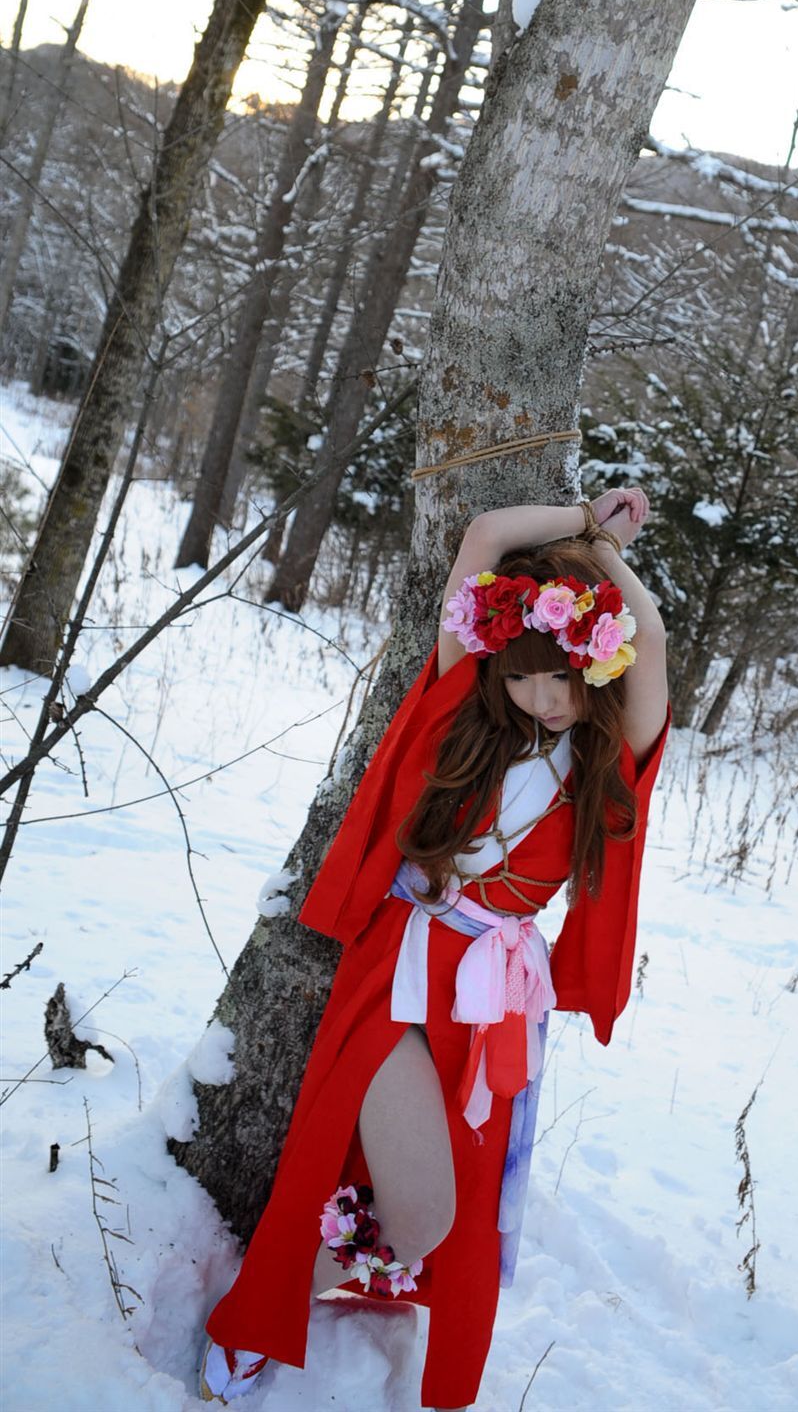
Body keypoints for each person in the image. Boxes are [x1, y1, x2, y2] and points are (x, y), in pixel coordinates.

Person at [200, 489, 670, 1410]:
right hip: (402, 967)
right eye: (527, 676)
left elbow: (646, 632)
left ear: (594, 673)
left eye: (564, 679)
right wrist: (581, 517)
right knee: (420, 1212)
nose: (544, 698)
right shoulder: (465, 706)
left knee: (456, 1208)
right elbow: (488, 537)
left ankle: (360, 1274)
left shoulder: (607, 763)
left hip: (496, 994)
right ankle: (258, 1316)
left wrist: (604, 555)